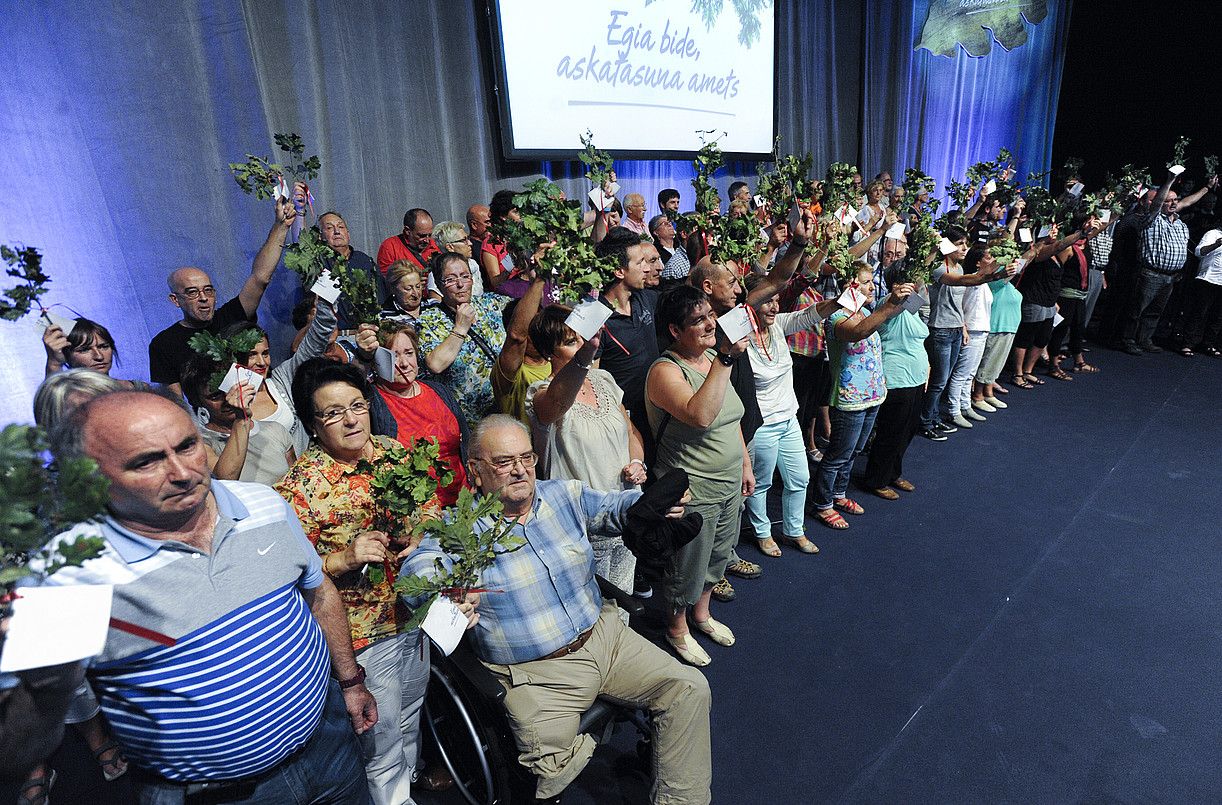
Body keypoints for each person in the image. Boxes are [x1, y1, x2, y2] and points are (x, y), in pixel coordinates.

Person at [42, 390, 376, 803]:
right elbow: (47, 699)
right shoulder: (69, 573)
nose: (183, 472)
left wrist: (350, 681)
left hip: (331, 750)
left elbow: (318, 592)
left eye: (187, 446)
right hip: (218, 795)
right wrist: (95, 741)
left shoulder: (264, 505)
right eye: (147, 461)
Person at [401, 414, 711, 804]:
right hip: (535, 675)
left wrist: (652, 507)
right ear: (475, 470)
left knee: (689, 688)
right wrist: (445, 592)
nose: (520, 470)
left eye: (527, 458)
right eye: (503, 462)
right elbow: (418, 573)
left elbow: (617, 507)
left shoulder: (563, 495)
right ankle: (578, 750)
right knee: (545, 776)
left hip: (606, 639)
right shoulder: (458, 530)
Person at [278, 360, 454, 805]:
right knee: (382, 742)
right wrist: (343, 557)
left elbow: (430, 504)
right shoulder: (298, 490)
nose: (352, 419)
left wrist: (421, 530)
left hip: (413, 614)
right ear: (312, 425)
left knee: (413, 711)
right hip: (363, 636)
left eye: (357, 405)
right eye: (334, 413)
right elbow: (287, 577)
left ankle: (406, 788)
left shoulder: (392, 452)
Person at [646, 286, 752, 666]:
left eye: (710, 315)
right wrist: (725, 357)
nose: (710, 324)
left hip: (728, 480)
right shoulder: (664, 370)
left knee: (719, 554)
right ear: (675, 330)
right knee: (687, 564)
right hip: (693, 488)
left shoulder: (711, 356)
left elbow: (731, 417)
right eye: (698, 320)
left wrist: (744, 463)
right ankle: (677, 629)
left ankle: (702, 615)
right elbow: (701, 414)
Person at [525, 308, 645, 595]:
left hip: (628, 512)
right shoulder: (539, 393)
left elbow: (629, 433)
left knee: (624, 599)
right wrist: (584, 357)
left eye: (583, 337)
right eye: (570, 341)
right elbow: (557, 400)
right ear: (549, 353)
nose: (582, 344)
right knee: (593, 607)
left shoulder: (604, 380)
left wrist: (638, 461)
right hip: (583, 525)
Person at [148, 191, 297, 396]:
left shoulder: (232, 316)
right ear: (175, 300)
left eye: (208, 290)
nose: (203, 298)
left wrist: (281, 227)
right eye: (192, 292)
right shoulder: (163, 344)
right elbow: (175, 400)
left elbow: (260, 277)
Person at [811, 263, 914, 529]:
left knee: (855, 450)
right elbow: (859, 332)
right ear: (848, 287)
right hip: (849, 399)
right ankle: (822, 504)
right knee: (837, 454)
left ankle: (839, 494)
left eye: (871, 281)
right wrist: (889, 305)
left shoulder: (867, 311)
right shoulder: (836, 319)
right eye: (866, 282)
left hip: (873, 396)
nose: (871, 287)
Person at [741, 274, 833, 556]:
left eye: (777, 300)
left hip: (789, 419)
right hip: (762, 425)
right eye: (767, 300)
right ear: (751, 303)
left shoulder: (780, 325)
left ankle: (794, 531)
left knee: (800, 478)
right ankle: (762, 533)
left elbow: (810, 314)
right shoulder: (739, 337)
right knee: (762, 483)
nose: (773, 307)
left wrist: (841, 301)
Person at [355, 321, 470, 506]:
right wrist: (363, 357)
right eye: (393, 357)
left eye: (409, 353)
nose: (404, 363)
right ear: (377, 364)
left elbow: (467, 444)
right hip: (417, 512)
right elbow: (352, 384)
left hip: (464, 501)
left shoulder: (439, 390)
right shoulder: (372, 400)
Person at [212, 295, 338, 456]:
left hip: (304, 475)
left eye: (265, 353)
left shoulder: (282, 378)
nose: (262, 362)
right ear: (234, 357)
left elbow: (317, 340)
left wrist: (326, 302)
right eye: (252, 355)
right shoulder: (223, 402)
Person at [862, 249, 929, 496]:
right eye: (913, 280)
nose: (919, 284)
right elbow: (894, 305)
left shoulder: (912, 306)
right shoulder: (888, 304)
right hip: (897, 377)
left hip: (916, 376)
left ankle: (894, 473)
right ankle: (876, 480)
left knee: (908, 430)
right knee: (891, 432)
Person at [417, 252, 508, 426]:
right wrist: (460, 328)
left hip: (504, 411)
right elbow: (435, 364)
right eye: (450, 279)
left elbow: (525, 314)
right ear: (438, 284)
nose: (460, 284)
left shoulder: (491, 304)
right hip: (465, 422)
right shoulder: (430, 320)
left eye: (465, 276)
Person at [919, 226, 994, 439]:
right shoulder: (938, 269)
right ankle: (924, 421)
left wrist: (963, 326)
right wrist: (990, 274)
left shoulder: (960, 267)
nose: (964, 248)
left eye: (965, 243)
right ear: (947, 245)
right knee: (938, 381)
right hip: (940, 329)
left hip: (955, 329)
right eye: (960, 243)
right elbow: (959, 282)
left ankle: (933, 418)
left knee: (945, 378)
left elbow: (959, 302)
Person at [180, 353, 296, 485]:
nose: (229, 399)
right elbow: (227, 480)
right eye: (215, 396)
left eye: (230, 388)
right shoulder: (201, 444)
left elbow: (298, 481)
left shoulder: (275, 429)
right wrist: (241, 419)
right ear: (197, 401)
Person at [947, 245, 1009, 427]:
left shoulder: (983, 283)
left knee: (970, 373)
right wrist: (964, 327)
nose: (992, 261)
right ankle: (953, 410)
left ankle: (965, 405)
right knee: (961, 373)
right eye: (989, 258)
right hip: (971, 330)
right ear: (978, 262)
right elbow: (962, 306)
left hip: (982, 329)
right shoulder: (972, 281)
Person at [972, 236, 1025, 412]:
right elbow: (1021, 264)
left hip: (1009, 326)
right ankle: (978, 395)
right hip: (997, 324)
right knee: (988, 362)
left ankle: (988, 392)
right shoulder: (994, 276)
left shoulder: (1004, 276)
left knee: (996, 363)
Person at [491, 273, 551, 421]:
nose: (540, 332)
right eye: (533, 327)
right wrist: (540, 278)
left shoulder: (558, 359)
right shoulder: (510, 371)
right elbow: (517, 337)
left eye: (541, 325)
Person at [320, 210, 388, 331]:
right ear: (320, 237)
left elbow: (381, 297)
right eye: (330, 228)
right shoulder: (320, 263)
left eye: (341, 227)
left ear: (348, 234)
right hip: (338, 335)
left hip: (370, 330)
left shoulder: (364, 260)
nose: (337, 231)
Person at [41, 317, 146, 389]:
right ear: (67, 355)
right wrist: (54, 362)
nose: (99, 356)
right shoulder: (67, 399)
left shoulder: (138, 388)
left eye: (104, 347)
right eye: (84, 350)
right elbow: (50, 414)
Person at [1179, 224, 1222, 356]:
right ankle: (1187, 344)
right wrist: (1215, 245)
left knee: (1218, 317)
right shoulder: (1213, 234)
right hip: (1208, 280)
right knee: (1199, 313)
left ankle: (1208, 344)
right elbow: (1198, 252)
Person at [376, 208, 440, 276]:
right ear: (407, 231)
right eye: (422, 236)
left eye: (430, 235)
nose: (427, 240)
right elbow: (385, 279)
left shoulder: (435, 244)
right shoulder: (390, 247)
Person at [433, 220, 486, 297]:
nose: (470, 243)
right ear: (450, 247)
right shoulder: (439, 272)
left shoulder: (473, 264)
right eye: (464, 240)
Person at [381, 259, 431, 326]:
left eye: (418, 287)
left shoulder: (434, 306)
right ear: (393, 289)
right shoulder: (385, 317)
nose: (416, 294)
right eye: (408, 289)